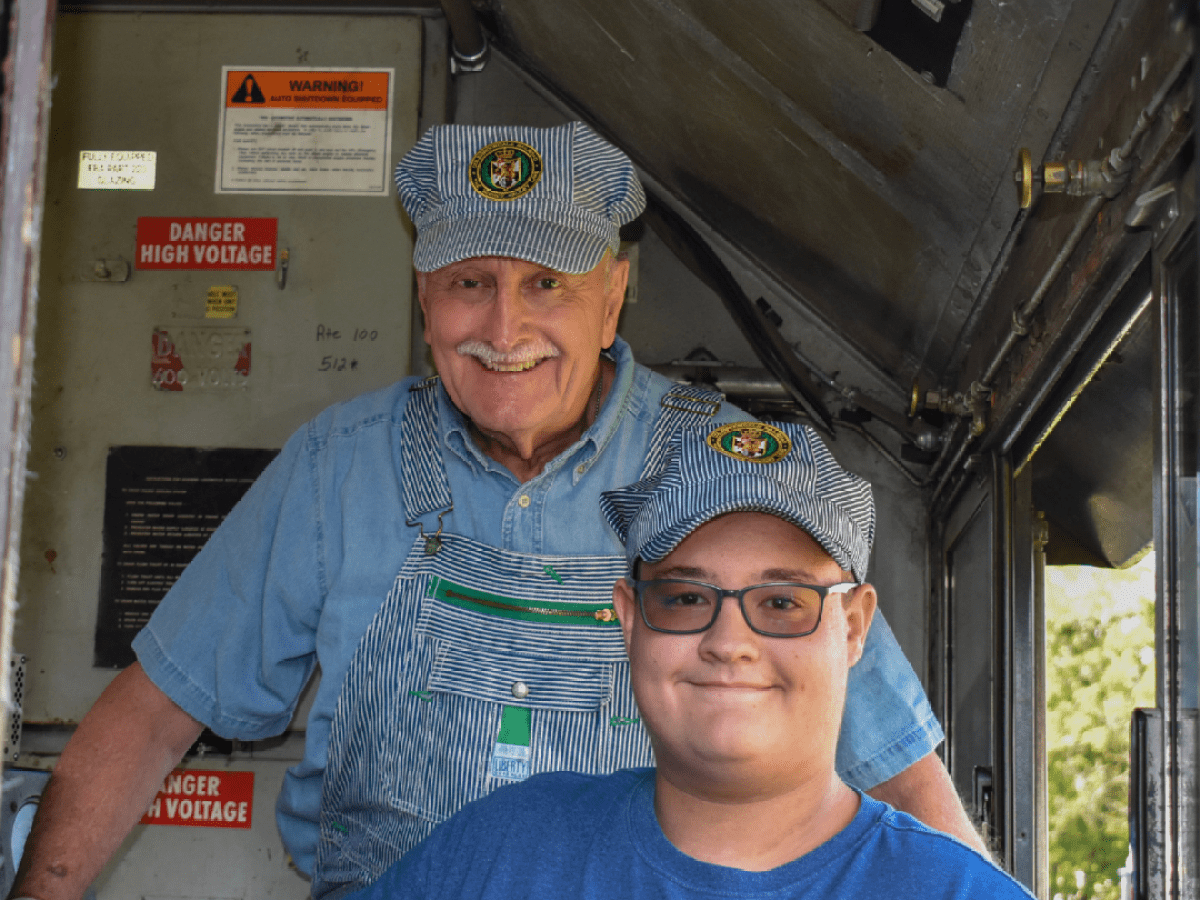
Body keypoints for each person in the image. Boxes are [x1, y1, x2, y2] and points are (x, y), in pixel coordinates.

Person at [10, 123, 980, 900]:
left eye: (545, 284)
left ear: (614, 297)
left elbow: (901, 780)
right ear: (424, 299)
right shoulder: (340, 469)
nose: (504, 330)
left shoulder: (735, 478)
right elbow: (148, 719)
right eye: (471, 283)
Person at [345, 421, 1030, 899]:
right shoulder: (499, 854)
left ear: (852, 628)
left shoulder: (955, 891)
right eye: (684, 598)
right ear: (628, 618)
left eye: (782, 602)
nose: (728, 640)